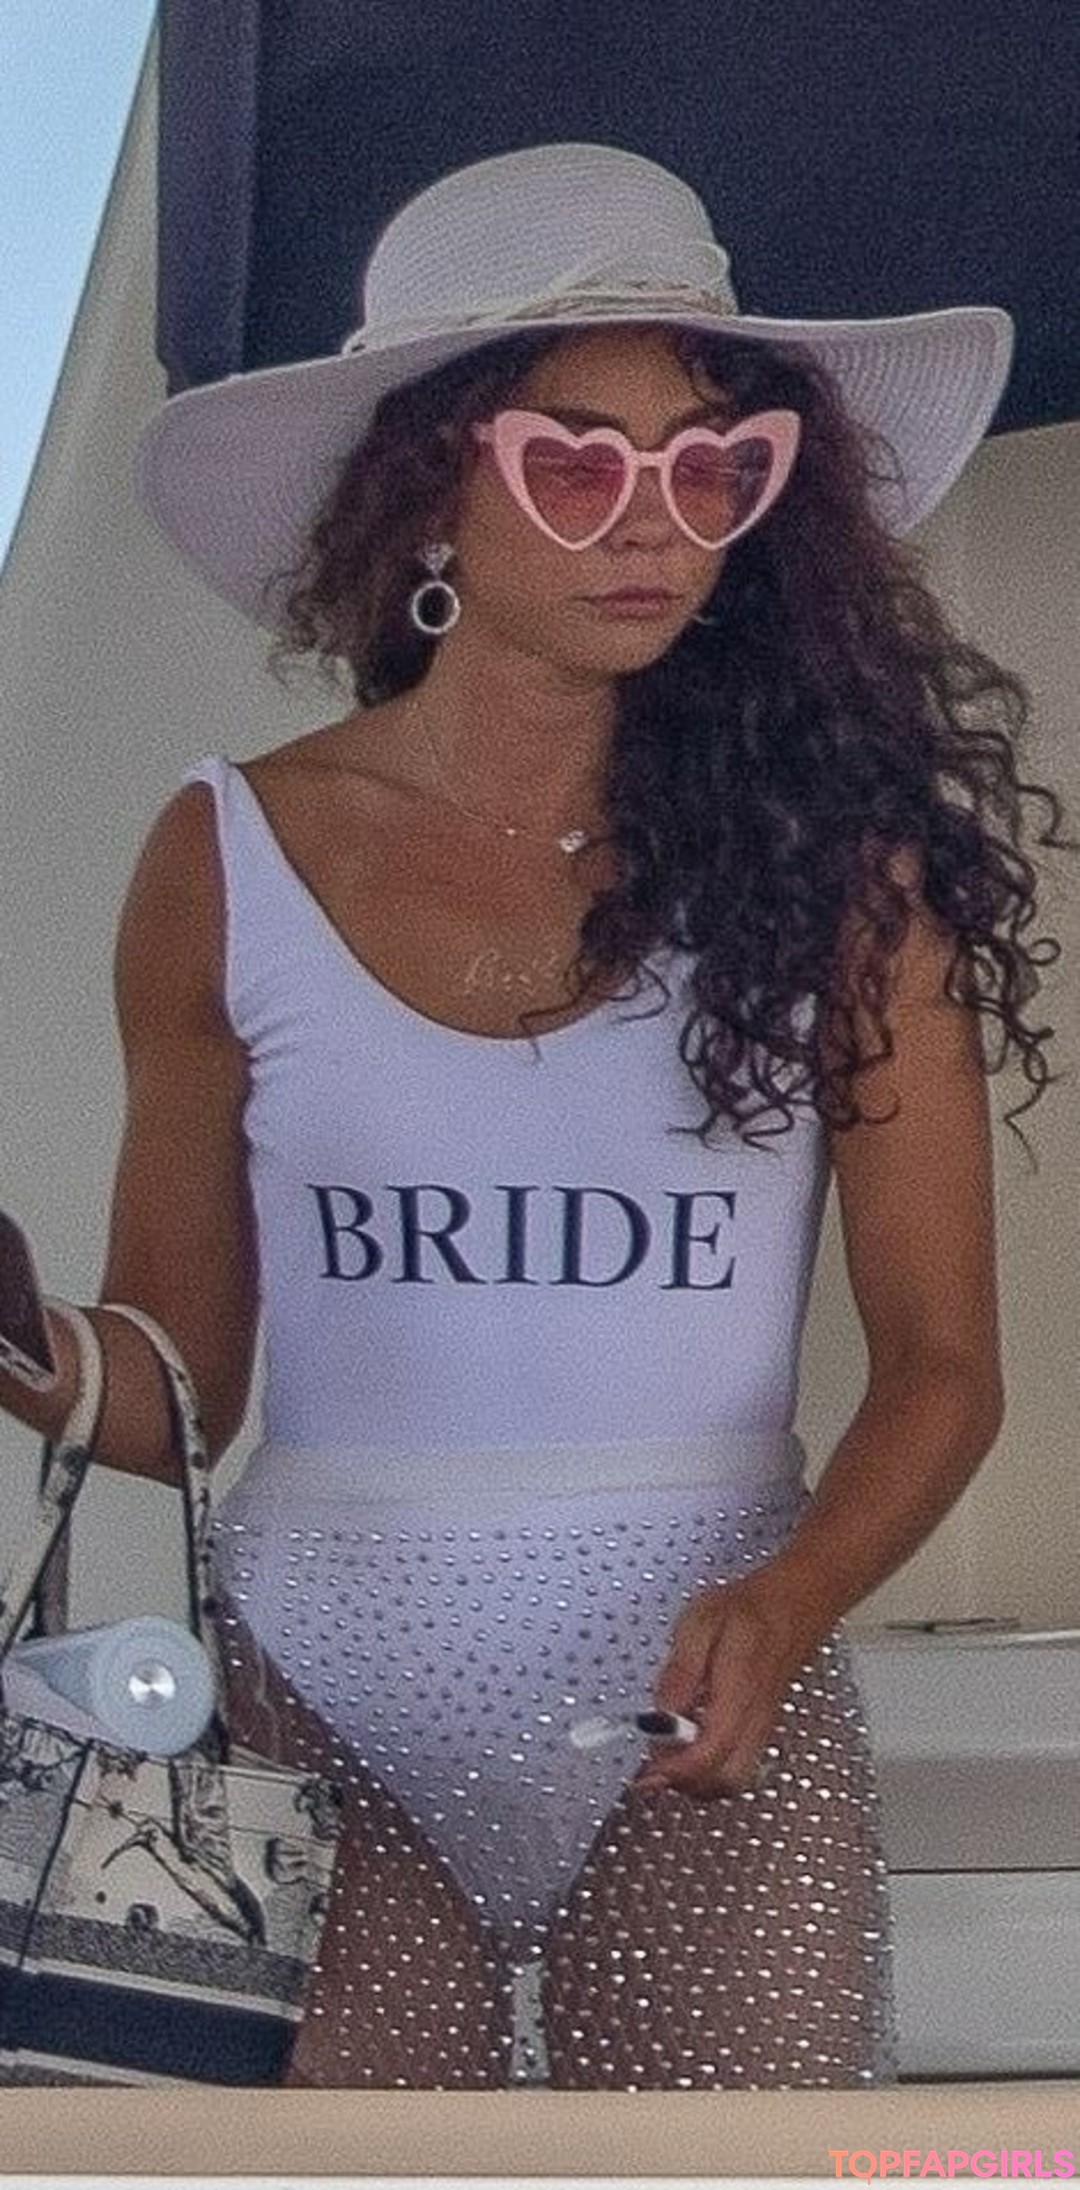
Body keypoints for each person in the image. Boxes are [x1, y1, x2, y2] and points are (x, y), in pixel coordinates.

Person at [0, 143, 1067, 2093]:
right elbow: (181, 1389)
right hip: (318, 1695)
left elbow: (943, 1372)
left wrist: (787, 1603)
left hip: (707, 1689)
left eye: (710, 469)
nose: (651, 520)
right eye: (577, 464)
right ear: (433, 486)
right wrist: (27, 1346)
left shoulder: (843, 877)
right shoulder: (231, 855)